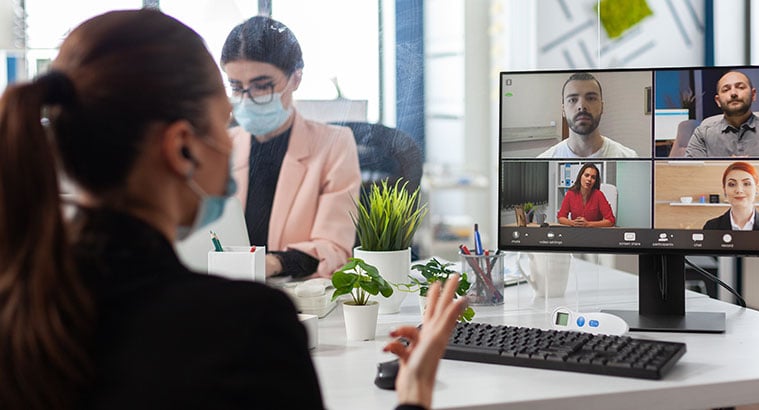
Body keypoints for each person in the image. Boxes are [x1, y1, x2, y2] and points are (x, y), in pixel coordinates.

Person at [0, 9, 465, 410]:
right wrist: (415, 393)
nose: (235, 129)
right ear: (182, 146)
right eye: (224, 115)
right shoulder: (248, 329)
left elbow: (333, 247)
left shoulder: (22, 303)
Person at [221, 16, 361, 278]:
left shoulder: (334, 145)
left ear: (295, 78)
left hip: (298, 297)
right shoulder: (220, 147)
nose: (247, 98)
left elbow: (332, 249)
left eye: (262, 86)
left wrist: (271, 264)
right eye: (237, 87)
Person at [685, 70, 759, 158]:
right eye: (726, 89)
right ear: (718, 101)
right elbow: (690, 173)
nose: (733, 93)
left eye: (740, 87)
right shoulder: (703, 133)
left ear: (753, 95)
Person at [538, 72, 638, 158]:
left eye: (591, 98)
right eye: (573, 100)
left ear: (602, 106)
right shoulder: (544, 159)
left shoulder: (629, 157)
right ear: (563, 110)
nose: (582, 106)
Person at [703, 162, 759, 231]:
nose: (739, 190)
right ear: (724, 189)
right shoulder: (711, 227)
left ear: (757, 188)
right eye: (732, 184)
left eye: (746, 184)